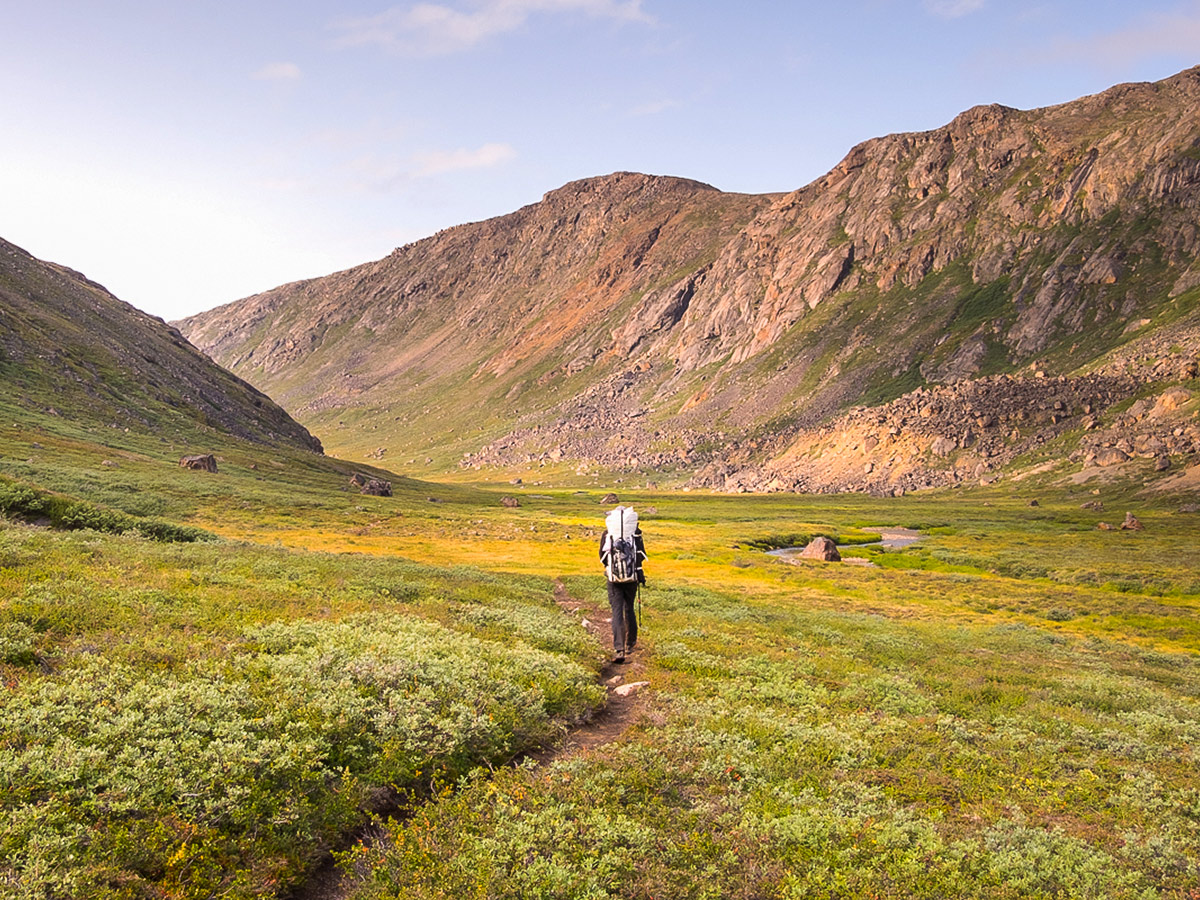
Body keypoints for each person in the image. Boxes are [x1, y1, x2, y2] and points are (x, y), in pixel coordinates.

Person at [598, 505, 646, 663]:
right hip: (632, 578)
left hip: (614, 578)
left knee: (616, 611)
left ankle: (619, 649)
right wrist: (639, 574)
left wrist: (610, 568)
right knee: (629, 608)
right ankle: (631, 642)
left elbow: (602, 557)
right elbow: (640, 555)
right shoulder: (635, 534)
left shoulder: (608, 534)